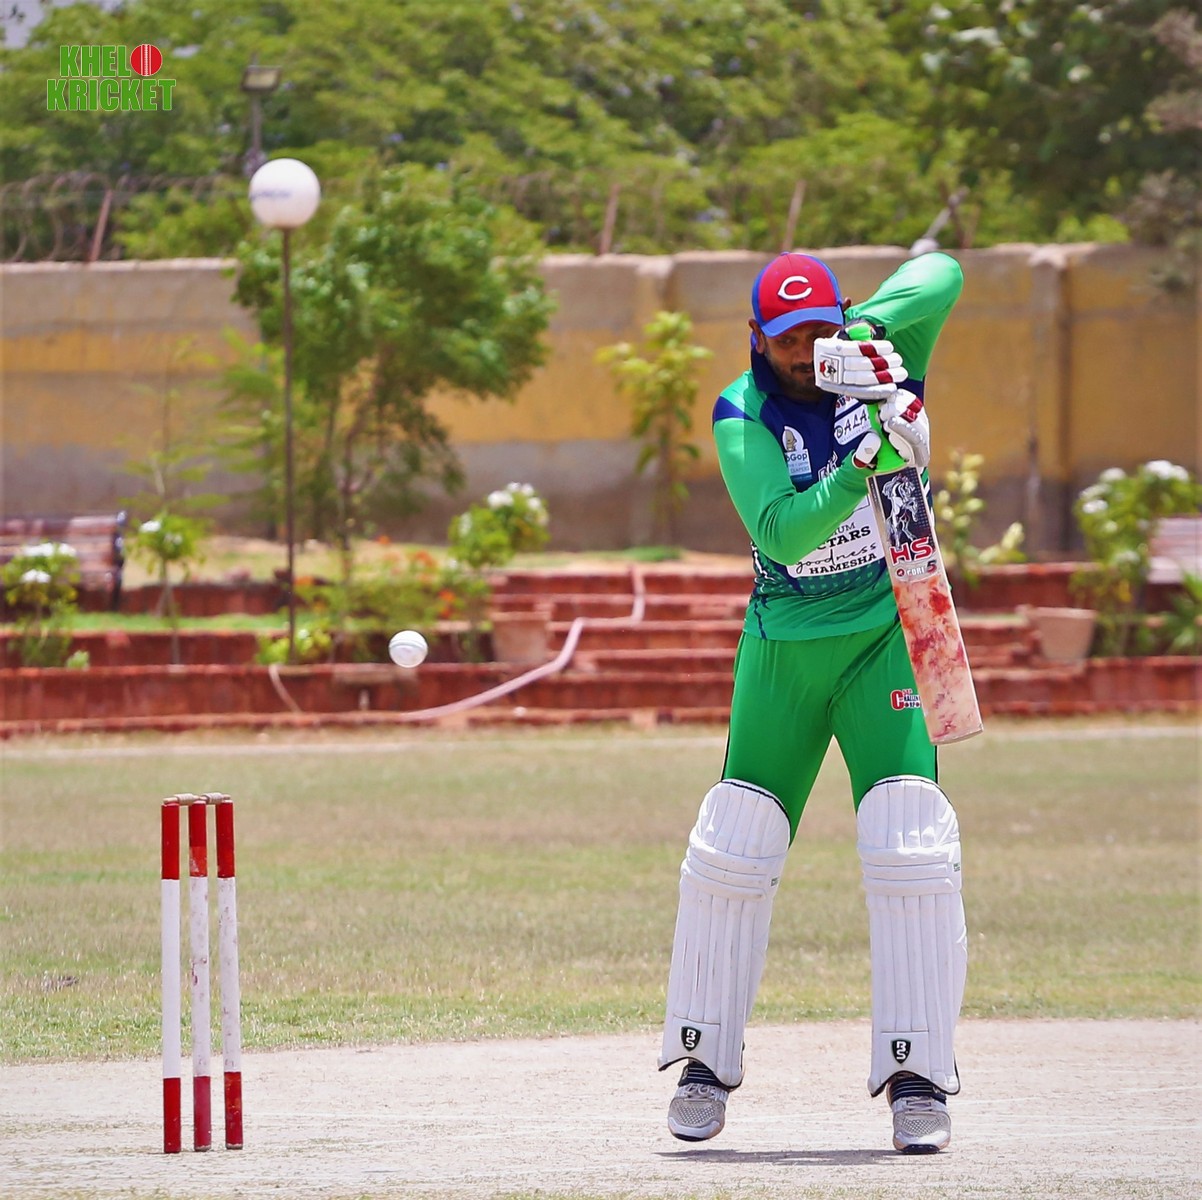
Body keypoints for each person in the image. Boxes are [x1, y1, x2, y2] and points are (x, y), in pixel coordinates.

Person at [658, 249, 968, 1154]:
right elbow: (783, 535)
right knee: (734, 844)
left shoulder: (879, 357)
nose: (806, 352)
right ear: (757, 338)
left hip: (885, 635)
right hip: (784, 649)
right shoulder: (741, 410)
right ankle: (704, 1066)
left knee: (910, 840)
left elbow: (944, 272)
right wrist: (861, 464)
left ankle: (919, 1079)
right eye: (789, 337)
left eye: (819, 330)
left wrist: (866, 335)